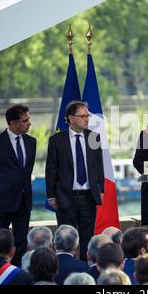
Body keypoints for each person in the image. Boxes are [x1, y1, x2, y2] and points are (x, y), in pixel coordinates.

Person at [45, 101, 104, 261]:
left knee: (87, 238)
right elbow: (51, 169)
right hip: (65, 197)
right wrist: (51, 195)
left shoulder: (94, 137)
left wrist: (101, 189)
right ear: (71, 118)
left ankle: (84, 269)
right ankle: (66, 270)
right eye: (83, 116)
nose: (87, 119)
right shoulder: (56, 140)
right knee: (65, 239)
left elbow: (99, 165)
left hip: (88, 197)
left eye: (88, 116)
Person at [0, 104, 36, 267]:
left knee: (20, 242)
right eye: (25, 120)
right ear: (12, 123)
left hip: (23, 201)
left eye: (29, 119)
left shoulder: (31, 142)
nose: (29, 123)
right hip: (1, 202)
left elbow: (26, 172)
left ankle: (15, 272)